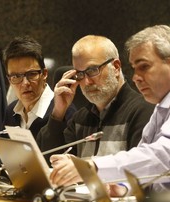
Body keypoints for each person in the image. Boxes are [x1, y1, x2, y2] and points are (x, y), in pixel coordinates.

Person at [50, 25, 170, 193]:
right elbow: (146, 172)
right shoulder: (161, 109)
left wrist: (90, 167)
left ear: (116, 67)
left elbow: (162, 157)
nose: (136, 77)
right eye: (134, 69)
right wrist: (122, 188)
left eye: (144, 66)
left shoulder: (144, 108)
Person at [37, 35, 154, 164]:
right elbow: (49, 163)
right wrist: (58, 112)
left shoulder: (143, 111)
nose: (87, 82)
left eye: (93, 70)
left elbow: (140, 170)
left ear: (116, 67)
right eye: (80, 74)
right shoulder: (80, 118)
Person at [2, 36, 76, 139]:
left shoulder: (64, 111)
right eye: (16, 76)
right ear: (9, 80)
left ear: (44, 74)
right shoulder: (11, 111)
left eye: (31, 74)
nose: (25, 83)